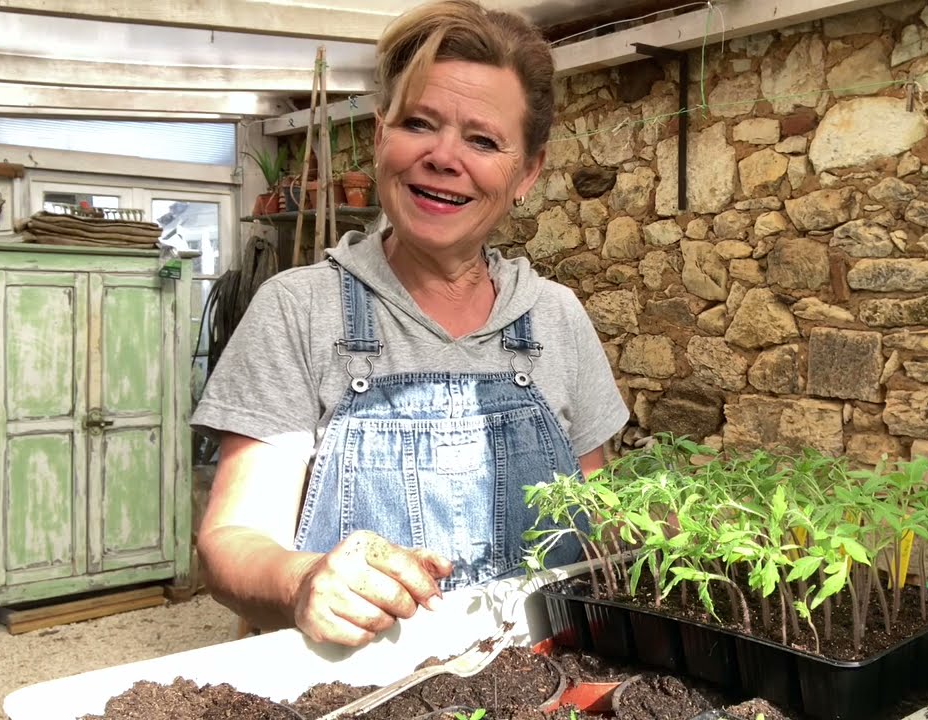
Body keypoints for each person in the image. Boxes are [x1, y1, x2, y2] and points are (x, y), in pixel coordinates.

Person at [192, 0, 629, 648]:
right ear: (380, 136)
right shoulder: (300, 311)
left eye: (482, 140)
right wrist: (304, 580)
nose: (444, 156)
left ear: (526, 173)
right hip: (359, 686)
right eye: (420, 123)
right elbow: (230, 541)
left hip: (547, 682)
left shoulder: (556, 319)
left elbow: (599, 522)